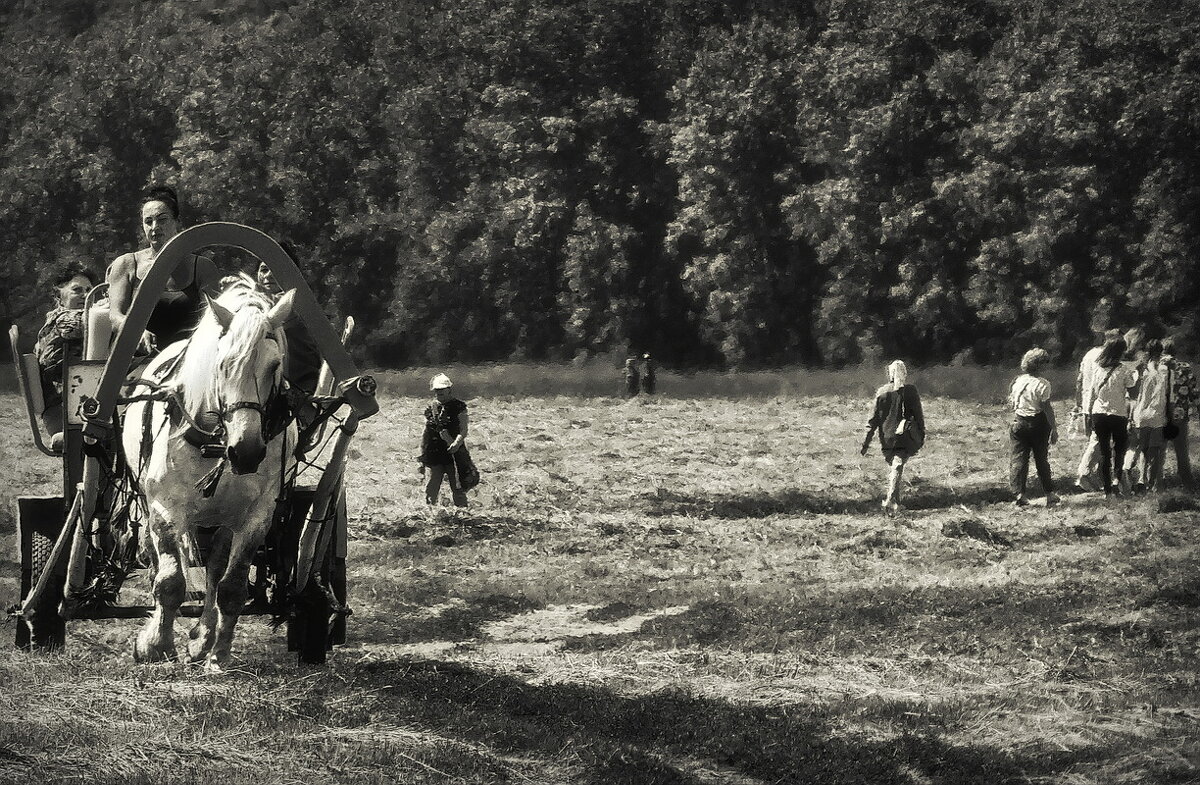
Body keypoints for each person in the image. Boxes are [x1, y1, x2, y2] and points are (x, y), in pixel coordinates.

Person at [105, 186, 221, 352]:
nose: (154, 227)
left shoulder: (203, 268)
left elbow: (213, 317)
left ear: (177, 223)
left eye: (162, 219)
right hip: (133, 361)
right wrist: (134, 333)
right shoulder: (126, 264)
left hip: (187, 361)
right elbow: (115, 316)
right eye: (148, 221)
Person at [35, 264, 98, 451]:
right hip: (64, 410)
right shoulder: (63, 320)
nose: (85, 295)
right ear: (59, 297)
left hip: (76, 404)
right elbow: (92, 322)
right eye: (76, 290)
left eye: (89, 290)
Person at [861, 360, 925, 516]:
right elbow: (918, 416)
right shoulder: (910, 392)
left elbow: (872, 420)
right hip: (904, 436)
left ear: (890, 373)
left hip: (886, 438)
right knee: (897, 465)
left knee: (896, 464)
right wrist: (921, 434)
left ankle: (895, 501)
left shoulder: (881, 392)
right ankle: (891, 500)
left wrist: (865, 443)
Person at [1087, 333, 1138, 497]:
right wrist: (1138, 376)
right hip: (1118, 413)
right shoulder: (1123, 370)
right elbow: (1134, 391)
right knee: (1120, 449)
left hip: (1099, 412)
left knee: (1104, 452)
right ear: (1120, 352)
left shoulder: (1097, 368)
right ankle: (1116, 480)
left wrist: (1088, 414)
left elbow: (1093, 392)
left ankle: (1107, 490)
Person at [1008, 348, 1060, 507]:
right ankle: (1049, 494)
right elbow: (1046, 408)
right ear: (1040, 365)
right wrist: (1054, 428)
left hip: (1019, 421)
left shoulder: (1018, 380)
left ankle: (1019, 494)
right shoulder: (1043, 384)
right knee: (1041, 460)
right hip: (1037, 423)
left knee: (1019, 459)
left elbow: (1011, 401)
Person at [1075, 327, 1122, 490]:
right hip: (1102, 403)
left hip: (1090, 403)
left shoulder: (1089, 354)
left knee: (1099, 441)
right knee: (1098, 442)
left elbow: (1080, 380)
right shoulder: (1107, 358)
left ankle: (1100, 476)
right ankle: (1085, 473)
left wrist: (1079, 403)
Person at [1125, 338, 1170, 492]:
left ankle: (1140, 479)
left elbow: (1135, 395)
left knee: (1142, 448)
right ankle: (1154, 483)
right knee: (1155, 451)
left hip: (1141, 414)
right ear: (1161, 351)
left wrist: (1131, 416)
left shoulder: (1141, 370)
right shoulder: (1165, 370)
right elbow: (1167, 394)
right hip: (1158, 414)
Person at [420, 373, 469, 507]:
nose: (439, 392)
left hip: (454, 453)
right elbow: (427, 433)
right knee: (431, 488)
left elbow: (463, 430)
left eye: (442, 389)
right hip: (434, 452)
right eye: (436, 390)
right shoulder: (431, 408)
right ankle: (430, 515)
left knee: (458, 488)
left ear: (449, 390)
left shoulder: (459, 407)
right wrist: (423, 456)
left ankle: (463, 515)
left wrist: (456, 443)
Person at [1162, 337, 1198, 491]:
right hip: (1179, 414)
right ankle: (1187, 481)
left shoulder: (1155, 365)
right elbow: (1193, 392)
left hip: (1159, 414)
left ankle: (1155, 481)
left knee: (1158, 449)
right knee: (1181, 450)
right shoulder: (1184, 367)